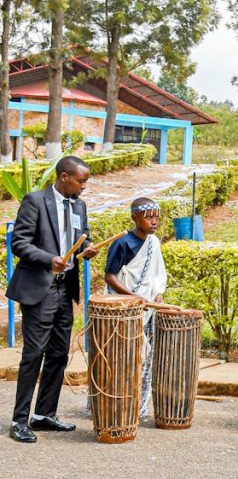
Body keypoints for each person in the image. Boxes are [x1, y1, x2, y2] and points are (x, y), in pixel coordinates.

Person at [8, 156, 98, 443]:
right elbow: (19, 244)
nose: (84, 186)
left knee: (59, 354)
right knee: (33, 355)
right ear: (63, 177)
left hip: (64, 290)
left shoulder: (78, 205)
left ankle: (44, 414)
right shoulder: (35, 201)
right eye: (81, 181)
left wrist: (87, 247)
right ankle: (19, 420)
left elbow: (81, 238)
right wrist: (50, 260)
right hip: (39, 289)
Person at [104, 197, 169, 420]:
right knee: (120, 356)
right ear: (134, 218)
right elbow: (110, 277)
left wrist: (157, 293)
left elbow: (157, 274)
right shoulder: (123, 243)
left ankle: (139, 407)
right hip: (123, 308)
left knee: (145, 356)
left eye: (156, 217)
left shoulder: (154, 243)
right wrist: (131, 297)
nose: (154, 221)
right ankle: (112, 405)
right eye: (148, 217)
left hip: (147, 308)